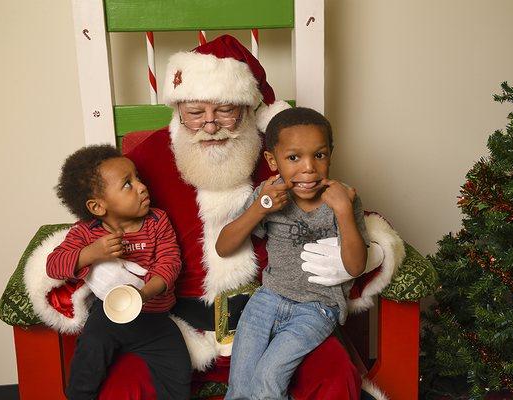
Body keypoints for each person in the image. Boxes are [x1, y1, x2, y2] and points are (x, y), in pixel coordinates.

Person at [28, 34, 405, 400]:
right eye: (195, 113)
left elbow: (348, 205)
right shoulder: (146, 160)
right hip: (175, 322)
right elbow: (96, 214)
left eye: (225, 110)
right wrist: (92, 266)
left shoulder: (283, 151)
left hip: (277, 309)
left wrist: (365, 256)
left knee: (333, 377)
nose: (210, 125)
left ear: (247, 106)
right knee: (121, 390)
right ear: (178, 109)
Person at [217, 107, 369, 399]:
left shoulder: (344, 197)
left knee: (269, 377)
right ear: (273, 161)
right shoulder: (268, 192)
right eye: (293, 158)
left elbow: (356, 265)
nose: (309, 167)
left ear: (330, 155)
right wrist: (259, 207)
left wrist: (344, 212)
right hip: (268, 298)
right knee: (241, 386)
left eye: (320, 155)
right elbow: (223, 246)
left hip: (317, 307)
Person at [45, 144, 191, 400]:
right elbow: (53, 265)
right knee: (90, 350)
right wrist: (91, 253)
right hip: (108, 317)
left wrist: (144, 293)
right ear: (98, 207)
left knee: (179, 363)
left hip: (153, 316)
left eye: (138, 178)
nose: (142, 186)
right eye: (127, 184)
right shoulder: (86, 233)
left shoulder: (157, 221)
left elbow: (169, 262)